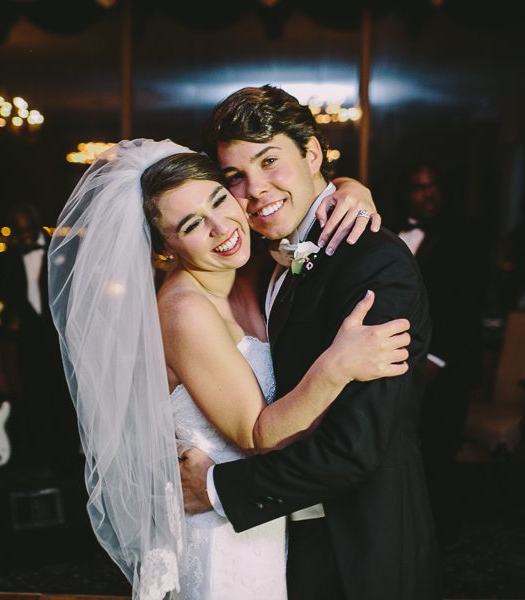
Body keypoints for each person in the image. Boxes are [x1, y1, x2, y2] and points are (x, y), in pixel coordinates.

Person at [48, 139, 405, 599]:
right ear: (165, 249)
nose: (221, 227)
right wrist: (336, 366)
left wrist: (349, 188)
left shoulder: (249, 269)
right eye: (192, 224)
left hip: (266, 520)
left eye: (218, 199)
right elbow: (258, 435)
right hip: (223, 540)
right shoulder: (184, 311)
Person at [180, 85, 440, 599]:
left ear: (313, 153)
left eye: (269, 161)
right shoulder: (264, 256)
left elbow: (355, 447)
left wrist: (215, 488)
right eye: (236, 176)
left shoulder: (373, 260)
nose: (256, 190)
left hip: (358, 544)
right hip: (287, 538)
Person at [395, 162, 485, 546]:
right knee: (405, 449)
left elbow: (467, 304)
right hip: (399, 359)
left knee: (440, 449)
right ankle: (408, 530)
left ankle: (441, 536)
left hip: (446, 365)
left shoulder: (463, 236)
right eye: (419, 187)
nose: (428, 193)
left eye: (433, 186)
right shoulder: (390, 235)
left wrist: (437, 358)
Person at [0, 203, 78, 470]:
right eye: (19, 232)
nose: (25, 237)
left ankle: (68, 458)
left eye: (28, 230)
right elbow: (6, 296)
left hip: (60, 337)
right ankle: (41, 458)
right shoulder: (8, 258)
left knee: (62, 397)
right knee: (33, 397)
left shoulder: (61, 249)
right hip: (28, 338)